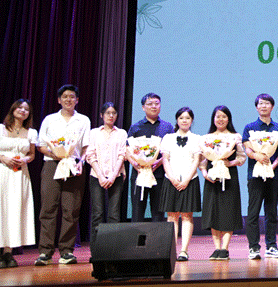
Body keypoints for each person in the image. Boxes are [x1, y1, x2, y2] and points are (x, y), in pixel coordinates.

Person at [35, 84, 90, 266]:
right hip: (52, 164)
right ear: (59, 100)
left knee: (71, 209)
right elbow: (41, 144)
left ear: (77, 100)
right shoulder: (50, 119)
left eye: (72, 96)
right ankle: (45, 252)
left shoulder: (83, 120)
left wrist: (81, 162)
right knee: (48, 208)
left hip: (74, 166)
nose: (68, 99)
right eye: (65, 97)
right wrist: (55, 154)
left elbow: (85, 146)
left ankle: (66, 251)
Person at [0, 99, 37, 269]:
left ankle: (9, 251)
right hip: (1, 172)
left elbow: (32, 154)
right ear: (13, 109)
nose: (22, 111)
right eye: (20, 107)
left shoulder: (31, 132)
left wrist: (25, 159)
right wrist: (3, 158)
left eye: (26, 109)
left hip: (20, 174)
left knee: (15, 209)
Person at [242, 94, 278, 260]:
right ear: (256, 107)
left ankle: (271, 246)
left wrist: (272, 166)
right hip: (255, 175)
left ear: (272, 107)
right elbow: (247, 148)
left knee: (271, 212)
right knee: (253, 213)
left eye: (267, 103)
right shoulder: (250, 127)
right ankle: (253, 248)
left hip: (272, 175)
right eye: (261, 103)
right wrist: (257, 156)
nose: (264, 106)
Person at [200, 105, 246, 261]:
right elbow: (202, 161)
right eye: (218, 116)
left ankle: (225, 248)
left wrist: (230, 163)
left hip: (229, 176)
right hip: (212, 178)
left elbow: (242, 157)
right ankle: (217, 248)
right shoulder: (206, 138)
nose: (220, 119)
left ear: (228, 119)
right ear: (213, 119)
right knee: (213, 212)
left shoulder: (235, 137)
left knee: (228, 211)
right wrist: (205, 174)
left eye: (224, 116)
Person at [159, 107, 201, 261]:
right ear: (177, 120)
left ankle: (184, 251)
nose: (184, 120)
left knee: (187, 216)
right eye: (182, 118)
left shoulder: (197, 138)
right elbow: (165, 159)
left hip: (190, 180)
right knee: (172, 216)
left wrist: (187, 180)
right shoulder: (168, 138)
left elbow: (196, 160)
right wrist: (172, 178)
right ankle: (172, 251)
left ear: (192, 121)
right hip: (171, 180)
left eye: (187, 118)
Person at [126, 93, 173, 223]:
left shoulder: (167, 127)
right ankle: (136, 236)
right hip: (139, 173)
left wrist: (159, 162)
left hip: (159, 174)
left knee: (158, 211)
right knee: (137, 210)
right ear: (143, 107)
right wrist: (135, 164)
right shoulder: (135, 127)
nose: (154, 106)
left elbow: (171, 150)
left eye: (156, 103)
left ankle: (156, 237)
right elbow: (127, 149)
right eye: (150, 104)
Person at [86, 102, 127, 248]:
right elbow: (90, 155)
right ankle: (96, 249)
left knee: (114, 214)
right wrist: (101, 176)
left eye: (114, 113)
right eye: (108, 113)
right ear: (101, 115)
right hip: (97, 176)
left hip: (116, 177)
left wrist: (112, 176)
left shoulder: (121, 133)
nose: (111, 116)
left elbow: (122, 155)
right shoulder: (94, 133)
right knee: (97, 213)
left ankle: (112, 248)